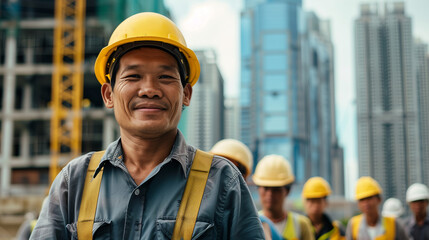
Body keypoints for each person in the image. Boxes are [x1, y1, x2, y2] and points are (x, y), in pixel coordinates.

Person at [30, 12, 264, 239]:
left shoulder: (223, 182)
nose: (149, 90)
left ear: (186, 94)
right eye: (133, 77)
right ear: (108, 94)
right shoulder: (74, 182)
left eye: (165, 77)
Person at [210, 139, 282, 240]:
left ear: (243, 178)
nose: (222, 176)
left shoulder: (261, 225)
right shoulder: (196, 216)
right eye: (216, 168)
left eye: (229, 171)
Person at [252, 154, 315, 240]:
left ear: (287, 191)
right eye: (266, 188)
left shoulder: (301, 225)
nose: (270, 194)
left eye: (276, 189)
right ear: (258, 189)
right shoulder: (252, 223)